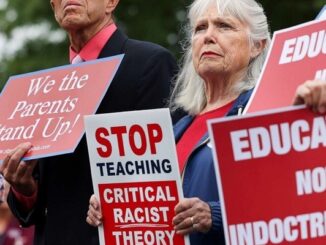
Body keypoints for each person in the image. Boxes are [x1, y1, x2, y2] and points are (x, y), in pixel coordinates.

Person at [86, 0, 326, 244]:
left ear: (257, 46)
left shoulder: (268, 110)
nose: (208, 36)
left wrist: (215, 215)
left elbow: (292, 199)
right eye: (200, 28)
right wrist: (113, 205)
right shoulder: (175, 127)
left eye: (224, 26)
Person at [0, 0, 178, 244]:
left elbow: (162, 177)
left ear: (111, 2)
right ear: (53, 5)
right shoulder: (47, 87)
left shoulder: (149, 63)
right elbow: (37, 204)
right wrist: (24, 189)